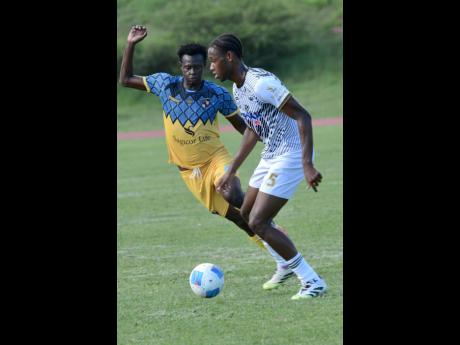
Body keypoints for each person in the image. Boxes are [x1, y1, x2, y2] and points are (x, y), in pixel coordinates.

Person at [119, 25, 293, 282]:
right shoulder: (165, 85)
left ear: (204, 66)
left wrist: (270, 142)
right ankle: (282, 258)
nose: (193, 72)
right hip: (190, 173)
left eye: (198, 67)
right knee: (238, 219)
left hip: (215, 160)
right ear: (181, 66)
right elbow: (125, 80)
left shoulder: (217, 94)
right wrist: (130, 44)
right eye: (188, 67)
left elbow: (246, 128)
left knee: (233, 193)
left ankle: (273, 231)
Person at [208, 33, 327, 300]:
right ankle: (285, 264)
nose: (211, 67)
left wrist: (307, 164)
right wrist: (231, 170)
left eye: (213, 61)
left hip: (291, 154)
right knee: (248, 213)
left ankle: (311, 281)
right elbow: (252, 128)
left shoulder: (261, 83)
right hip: (271, 153)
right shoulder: (238, 89)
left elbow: (302, 115)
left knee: (260, 221)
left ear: (229, 57)